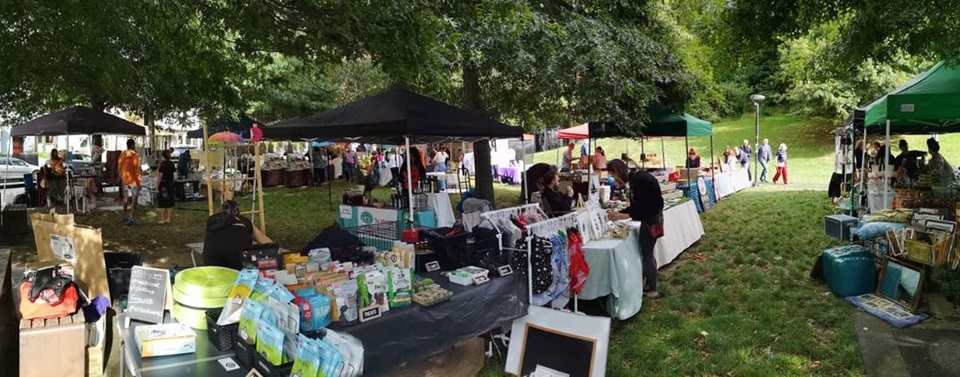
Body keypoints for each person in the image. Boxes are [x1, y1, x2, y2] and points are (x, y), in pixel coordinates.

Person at [605, 159, 664, 299]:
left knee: (647, 254)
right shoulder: (636, 179)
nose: (614, 180)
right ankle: (649, 284)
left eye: (613, 176)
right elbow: (637, 206)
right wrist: (623, 212)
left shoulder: (639, 181)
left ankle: (652, 289)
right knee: (648, 253)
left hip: (651, 220)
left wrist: (623, 215)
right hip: (651, 218)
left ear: (617, 171)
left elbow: (642, 209)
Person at [203, 200, 273, 270]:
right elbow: (268, 243)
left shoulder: (212, 222)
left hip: (211, 260)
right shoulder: (244, 221)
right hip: (237, 258)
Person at [118, 139, 142, 225]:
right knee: (134, 199)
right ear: (132, 145)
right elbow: (137, 169)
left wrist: (122, 176)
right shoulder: (134, 155)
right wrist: (139, 182)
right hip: (133, 181)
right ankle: (132, 217)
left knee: (126, 198)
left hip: (125, 180)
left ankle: (124, 216)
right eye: (134, 144)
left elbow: (119, 166)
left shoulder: (122, 154)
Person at [155, 149, 176, 224]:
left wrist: (157, 187)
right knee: (170, 201)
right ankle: (168, 218)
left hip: (164, 184)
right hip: (170, 183)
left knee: (162, 202)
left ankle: (162, 219)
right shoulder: (172, 164)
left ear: (163, 156)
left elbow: (160, 176)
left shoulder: (162, 164)